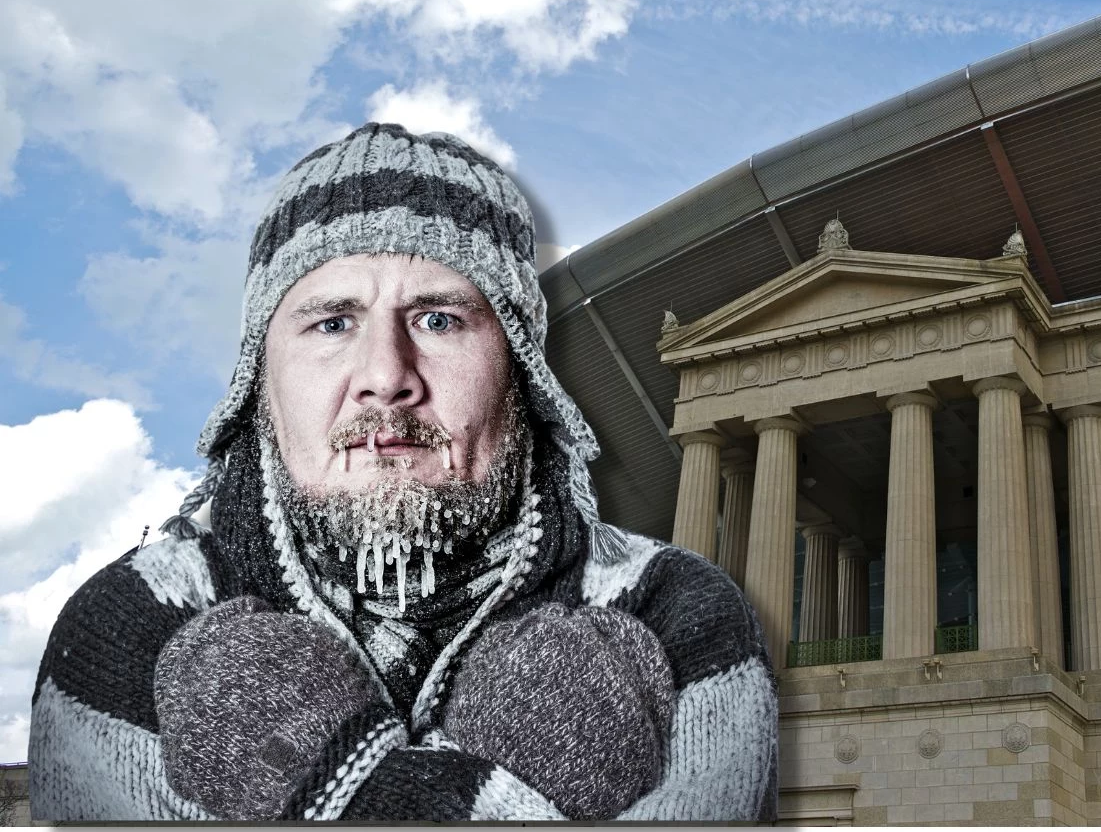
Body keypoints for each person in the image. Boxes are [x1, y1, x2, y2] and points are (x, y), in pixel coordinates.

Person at [27, 123, 779, 821]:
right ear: (259, 382)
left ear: (520, 372)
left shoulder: (677, 612)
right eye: (332, 321)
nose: (386, 376)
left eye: (439, 319)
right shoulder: (128, 624)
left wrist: (309, 787)